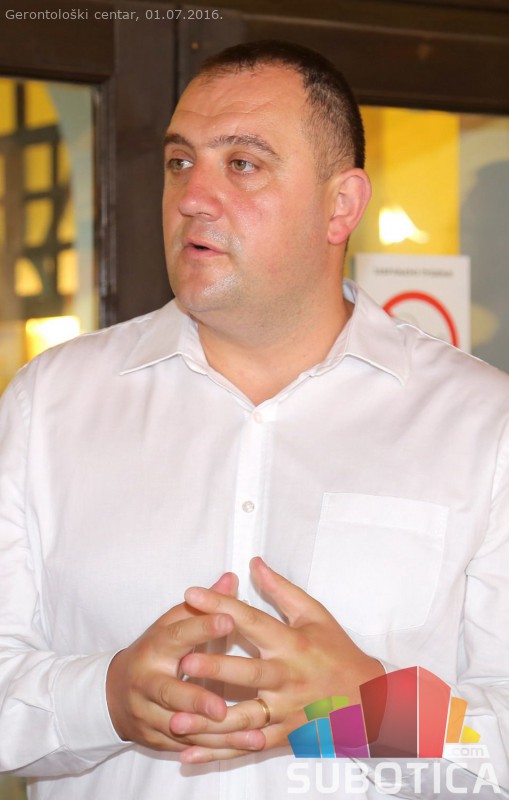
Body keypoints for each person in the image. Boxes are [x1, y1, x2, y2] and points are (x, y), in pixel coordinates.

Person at [0, 39, 508, 799]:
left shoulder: (482, 424)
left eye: (241, 163)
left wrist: (368, 713)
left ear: (341, 206)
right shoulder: (49, 404)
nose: (192, 196)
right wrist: (104, 698)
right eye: (179, 162)